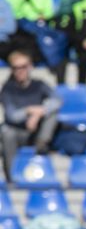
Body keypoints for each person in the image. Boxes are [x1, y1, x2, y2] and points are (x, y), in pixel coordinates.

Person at [0, 51, 60, 179]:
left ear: (30, 67)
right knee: (6, 132)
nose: (20, 71)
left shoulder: (39, 85)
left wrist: (38, 113)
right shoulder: (7, 89)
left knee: (52, 114)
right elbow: (12, 116)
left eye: (23, 66)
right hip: (18, 132)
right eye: (16, 68)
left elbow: (57, 101)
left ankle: (41, 145)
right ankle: (12, 176)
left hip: (37, 131)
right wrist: (29, 110)